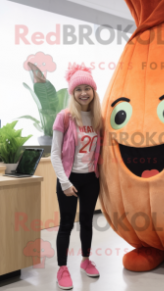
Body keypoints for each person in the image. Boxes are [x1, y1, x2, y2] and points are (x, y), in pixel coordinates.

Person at [51, 64, 102, 290]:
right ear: (73, 92)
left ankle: (85, 261)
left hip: (91, 179)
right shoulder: (64, 117)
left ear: (93, 91)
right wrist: (64, 182)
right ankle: (62, 268)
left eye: (87, 88)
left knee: (87, 222)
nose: (83, 92)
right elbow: (55, 153)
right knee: (65, 225)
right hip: (69, 179)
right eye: (78, 89)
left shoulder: (97, 118)